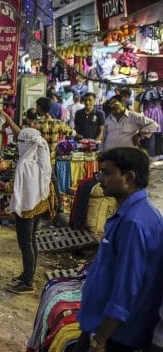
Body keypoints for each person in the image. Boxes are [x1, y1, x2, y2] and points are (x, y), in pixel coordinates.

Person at [73, 147, 163, 352]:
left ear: (129, 177)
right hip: (108, 329)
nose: (100, 179)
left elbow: (126, 288)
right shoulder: (132, 214)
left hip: (116, 336)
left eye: (106, 173)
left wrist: (100, 340)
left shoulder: (134, 222)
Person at [0, 126, 55, 294]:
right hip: (39, 204)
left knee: (26, 243)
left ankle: (28, 281)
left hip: (27, 208)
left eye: (20, 143)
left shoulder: (25, 165)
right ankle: (28, 274)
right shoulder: (41, 159)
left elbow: (10, 188)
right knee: (32, 240)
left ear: (26, 144)